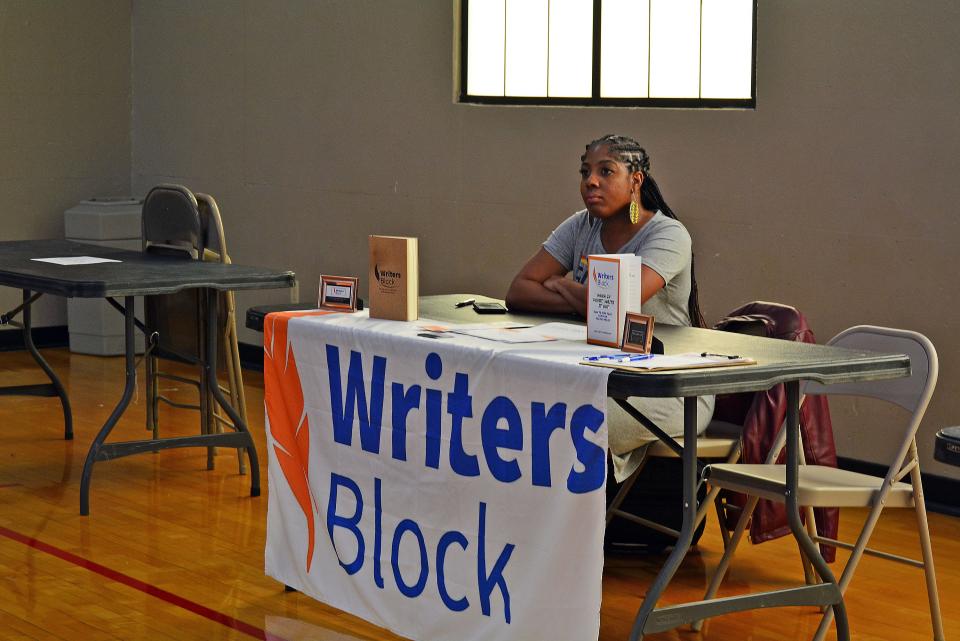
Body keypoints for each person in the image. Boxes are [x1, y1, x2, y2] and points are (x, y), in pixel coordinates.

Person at [505, 134, 714, 481]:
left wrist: (561, 284)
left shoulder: (668, 235)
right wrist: (586, 299)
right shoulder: (579, 225)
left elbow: (616, 308)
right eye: (585, 171)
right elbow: (519, 290)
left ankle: (582, 530)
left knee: (567, 421)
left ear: (635, 180)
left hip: (667, 387)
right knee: (523, 405)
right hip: (600, 372)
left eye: (606, 171)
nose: (591, 181)